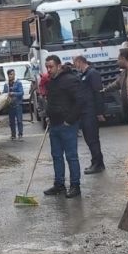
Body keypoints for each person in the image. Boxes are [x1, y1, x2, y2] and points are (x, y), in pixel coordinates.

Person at [43, 55, 82, 198]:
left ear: (59, 66)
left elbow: (79, 101)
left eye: (51, 67)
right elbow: (51, 101)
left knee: (71, 156)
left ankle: (75, 185)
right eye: (47, 67)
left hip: (67, 125)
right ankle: (59, 184)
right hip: (54, 124)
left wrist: (70, 120)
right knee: (56, 156)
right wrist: (48, 115)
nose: (48, 70)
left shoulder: (70, 80)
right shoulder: (51, 81)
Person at [73, 55, 106, 174]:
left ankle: (98, 164)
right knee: (88, 138)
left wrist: (99, 112)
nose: (74, 66)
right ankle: (96, 161)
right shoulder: (84, 75)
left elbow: (98, 92)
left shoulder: (92, 73)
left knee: (92, 139)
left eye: (75, 63)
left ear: (80, 61)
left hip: (91, 111)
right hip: (85, 111)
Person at [3, 68, 24, 140]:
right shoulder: (6, 84)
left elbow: (21, 93)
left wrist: (13, 93)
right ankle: (13, 135)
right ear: (8, 75)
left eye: (13, 74)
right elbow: (4, 93)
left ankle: (20, 135)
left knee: (19, 120)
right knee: (11, 121)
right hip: (10, 105)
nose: (12, 75)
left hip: (18, 104)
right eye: (11, 74)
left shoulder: (18, 83)